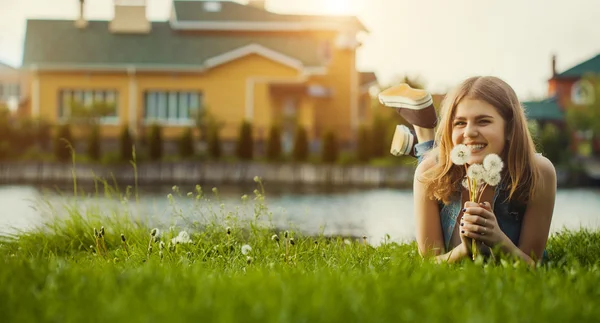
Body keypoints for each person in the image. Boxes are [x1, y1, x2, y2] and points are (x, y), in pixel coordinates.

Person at [378, 77, 557, 266]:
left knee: (432, 157)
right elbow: (429, 263)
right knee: (430, 163)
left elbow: (532, 265)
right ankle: (423, 133)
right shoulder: (429, 173)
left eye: (483, 121)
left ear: (510, 128)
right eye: (460, 123)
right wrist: (463, 250)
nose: (469, 132)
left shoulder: (538, 172)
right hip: (440, 163)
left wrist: (497, 240)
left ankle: (421, 138)